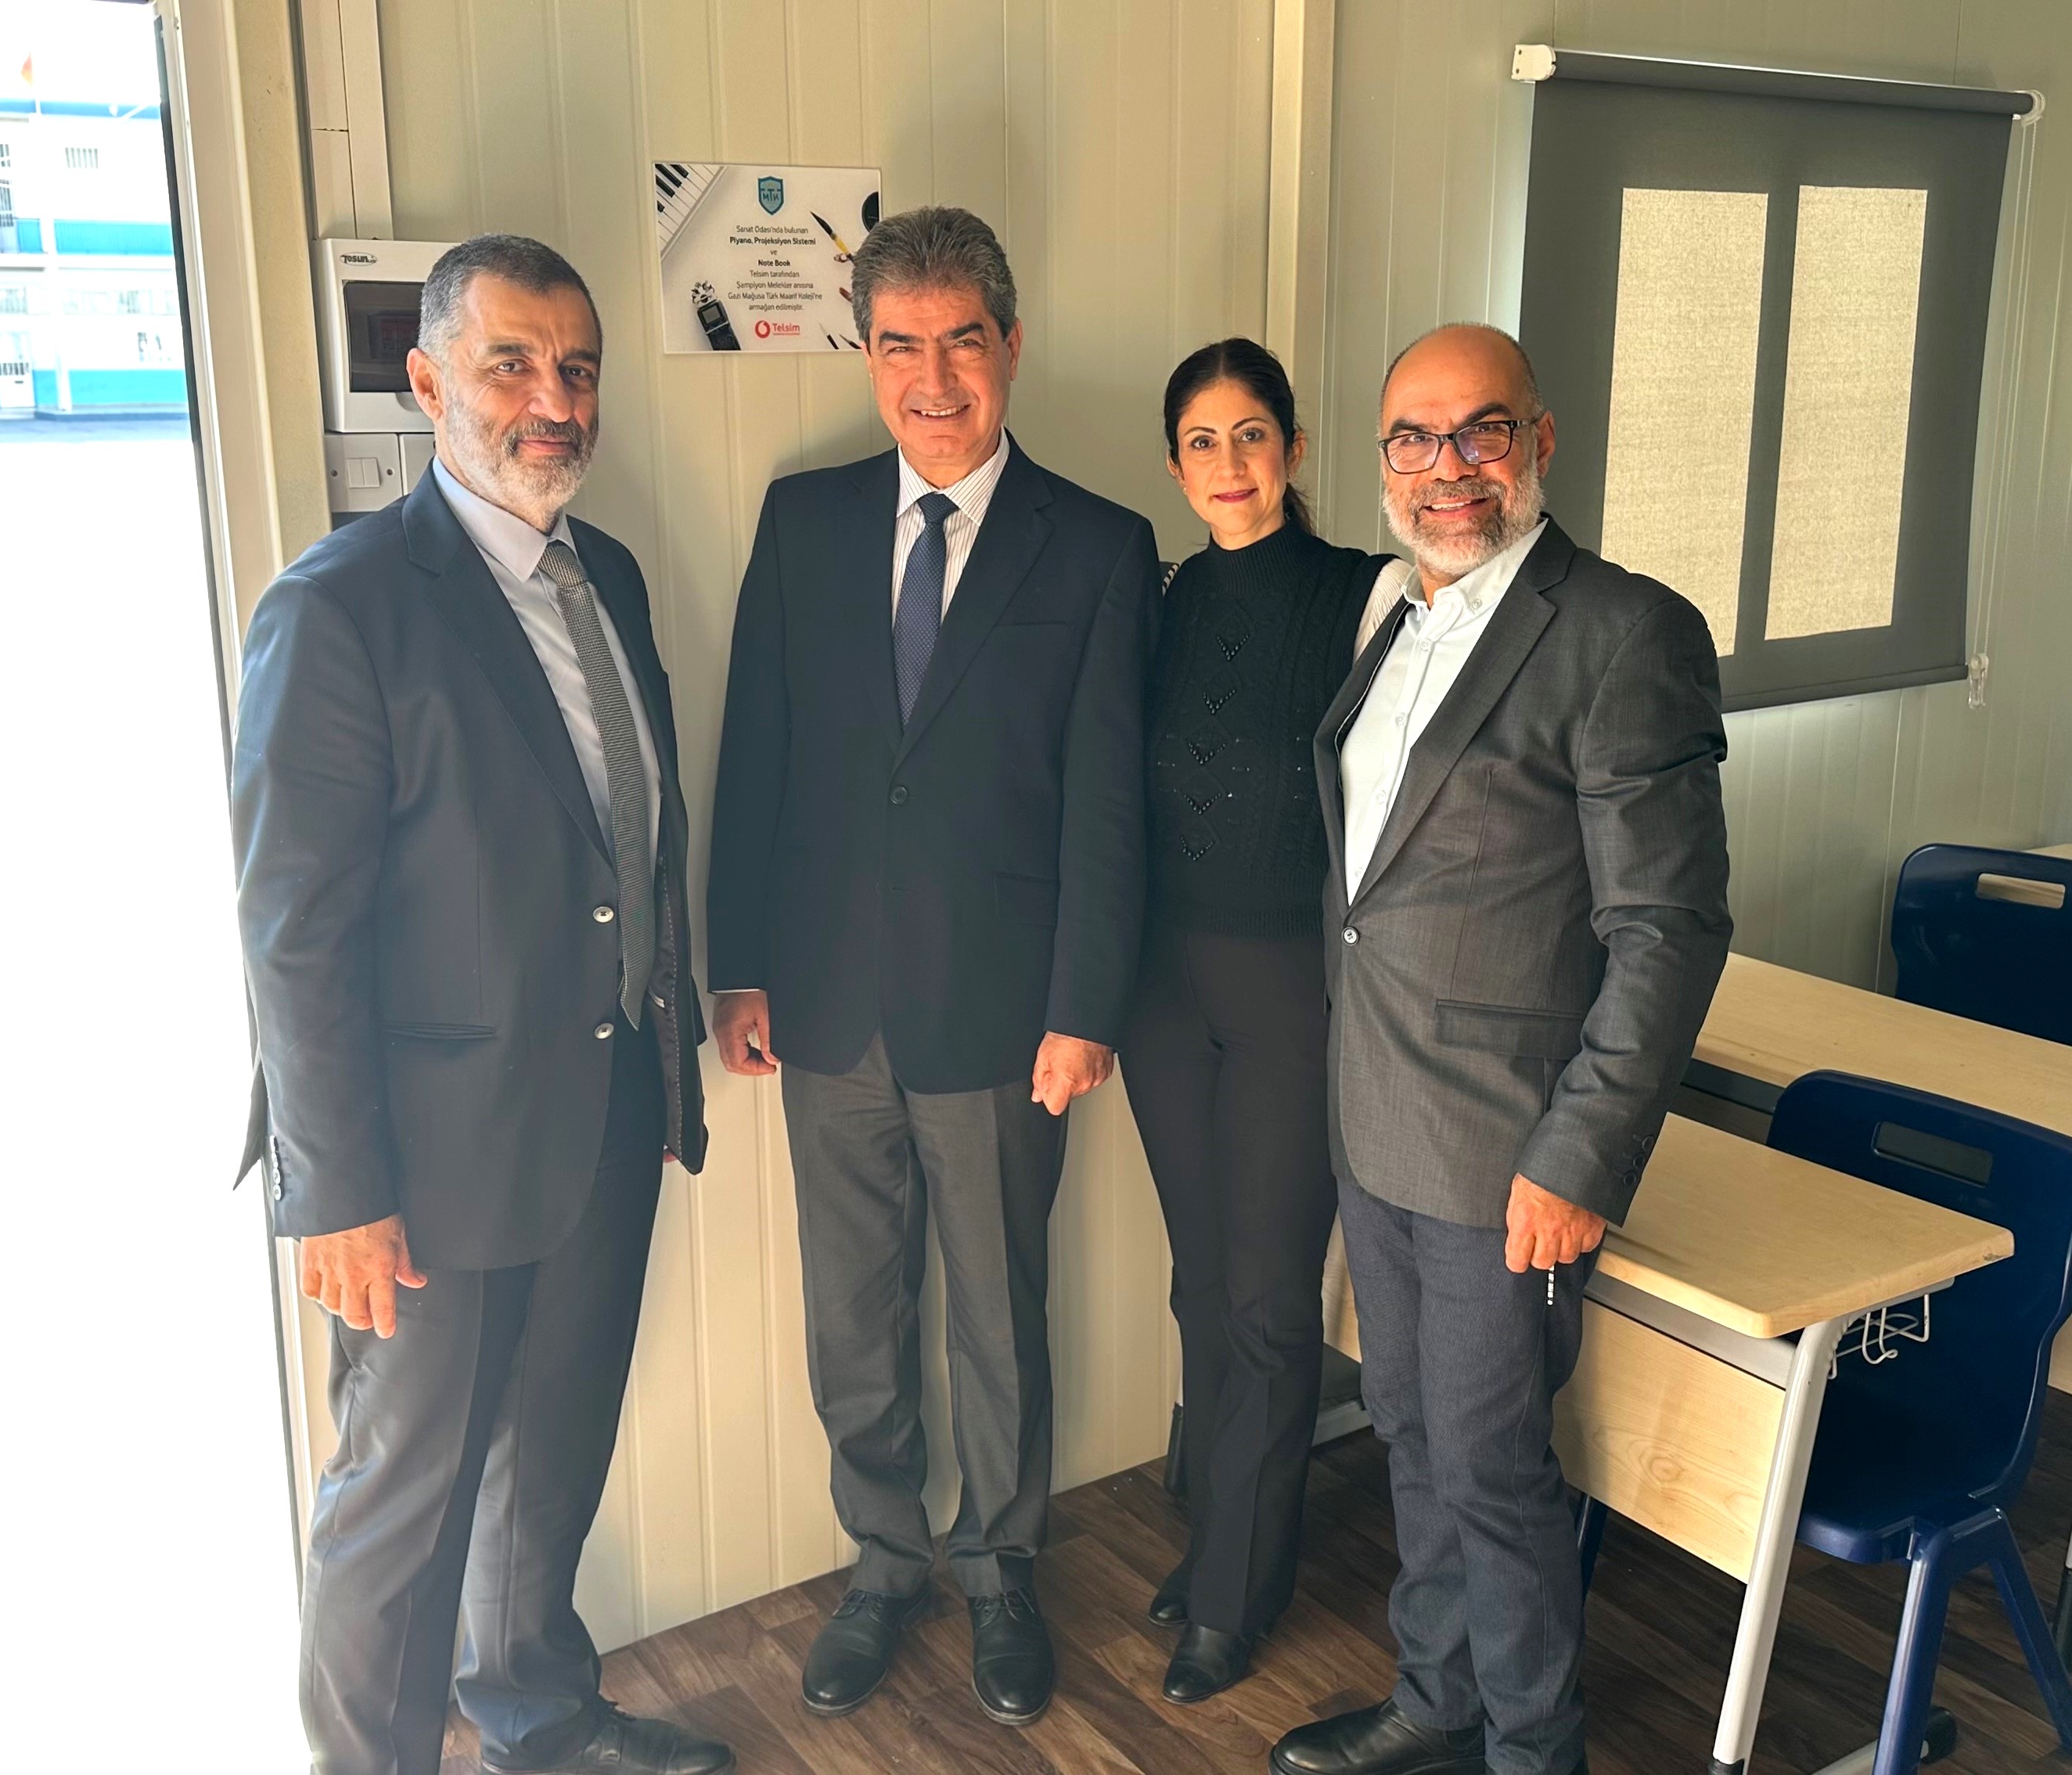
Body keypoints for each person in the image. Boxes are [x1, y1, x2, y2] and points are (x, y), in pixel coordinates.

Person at [233, 235, 728, 1775]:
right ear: (427, 380)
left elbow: (631, 846)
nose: (553, 401)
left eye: (577, 368)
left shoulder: (608, 575)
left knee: (550, 1465)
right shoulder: (342, 606)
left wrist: (666, 1067)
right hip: (426, 1166)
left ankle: (537, 1717)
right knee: (401, 1511)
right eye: (511, 364)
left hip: (602, 1114)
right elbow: (293, 929)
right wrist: (336, 1192)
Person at [706, 205, 1156, 1728]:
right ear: (865, 353)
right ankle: (884, 1563)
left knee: (997, 1317)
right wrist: (739, 966)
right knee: (854, 1317)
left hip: (1004, 1018)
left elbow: (1106, 808)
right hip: (826, 1008)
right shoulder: (803, 519)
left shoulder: (1098, 547)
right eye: (899, 344)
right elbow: (756, 758)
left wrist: (1084, 1007)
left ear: (1010, 345)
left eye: (962, 340)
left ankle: (1001, 1569)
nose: (933, 378)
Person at [1269, 323, 1732, 1775]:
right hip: (1377, 1118)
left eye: (1481, 430)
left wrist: (1580, 1159)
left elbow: (1668, 929)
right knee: (1408, 1432)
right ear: (1384, 460)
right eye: (1414, 438)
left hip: (1508, 1152)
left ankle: (1536, 1750)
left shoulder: (1624, 634)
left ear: (1540, 440)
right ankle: (1438, 1702)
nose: (1447, 466)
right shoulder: (1398, 617)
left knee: (1492, 1467)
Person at [1121, 339, 1392, 1705]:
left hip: (1292, 988)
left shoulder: (1364, 595)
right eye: (1201, 442)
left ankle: (1238, 1591)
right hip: (1163, 990)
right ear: (1175, 466)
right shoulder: (1163, 602)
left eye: (1250, 434)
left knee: (1270, 1297)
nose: (1228, 464)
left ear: (1290, 445)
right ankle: (1220, 1534)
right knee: (1199, 1284)